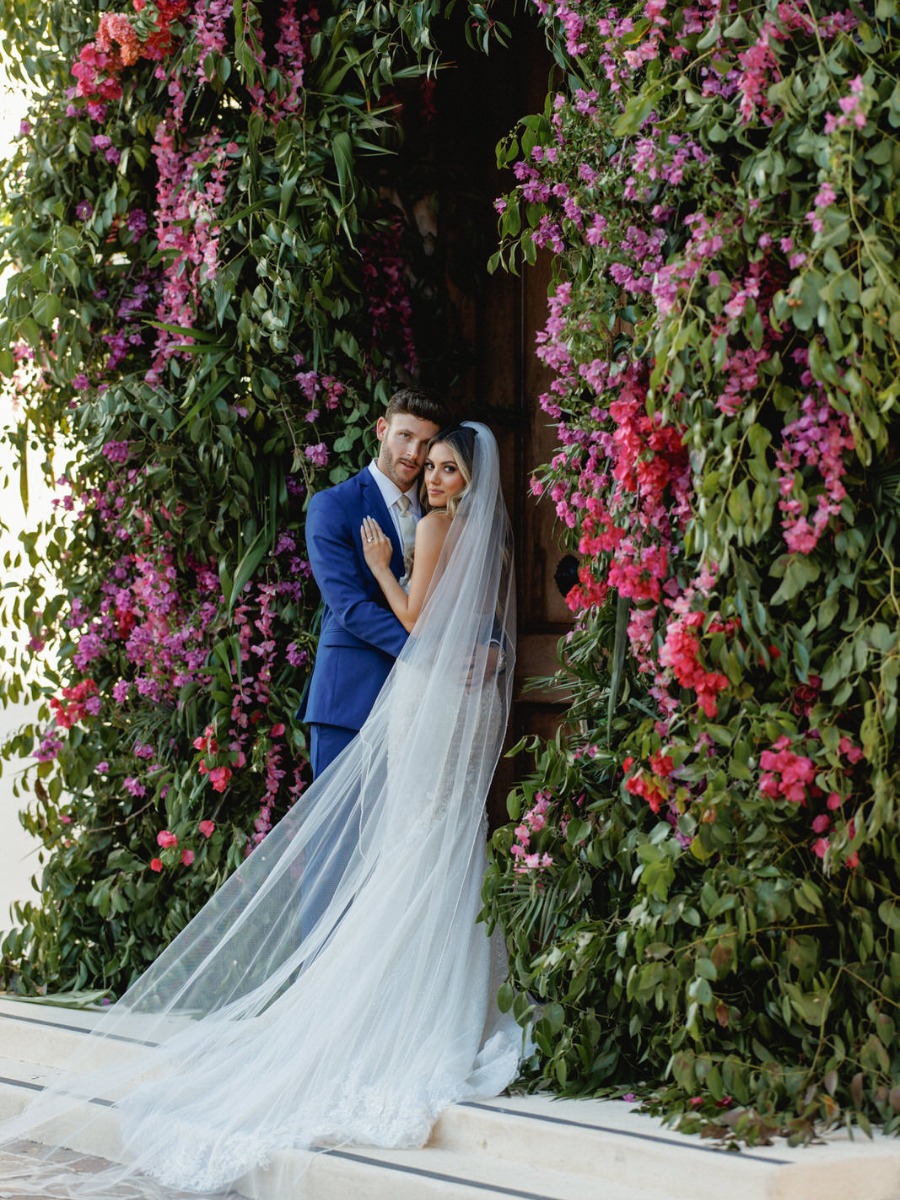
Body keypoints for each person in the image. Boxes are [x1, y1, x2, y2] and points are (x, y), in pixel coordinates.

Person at [0, 421, 520, 1200]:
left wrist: (393, 574)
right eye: (423, 455)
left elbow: (420, 617)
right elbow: (383, 612)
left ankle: (367, 1009)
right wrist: (475, 645)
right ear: (386, 433)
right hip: (418, 698)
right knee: (419, 843)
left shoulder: (439, 522)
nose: (429, 471)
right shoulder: (376, 514)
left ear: (467, 476)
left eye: (445, 463)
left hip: (429, 695)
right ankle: (412, 1002)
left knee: (413, 842)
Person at [301, 388, 449, 778]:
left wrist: (491, 648)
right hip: (351, 697)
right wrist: (432, 656)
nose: (414, 453)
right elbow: (350, 607)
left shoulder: (442, 512)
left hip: (424, 707)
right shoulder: (333, 506)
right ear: (382, 429)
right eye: (405, 436)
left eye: (425, 443)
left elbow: (470, 589)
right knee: (341, 836)